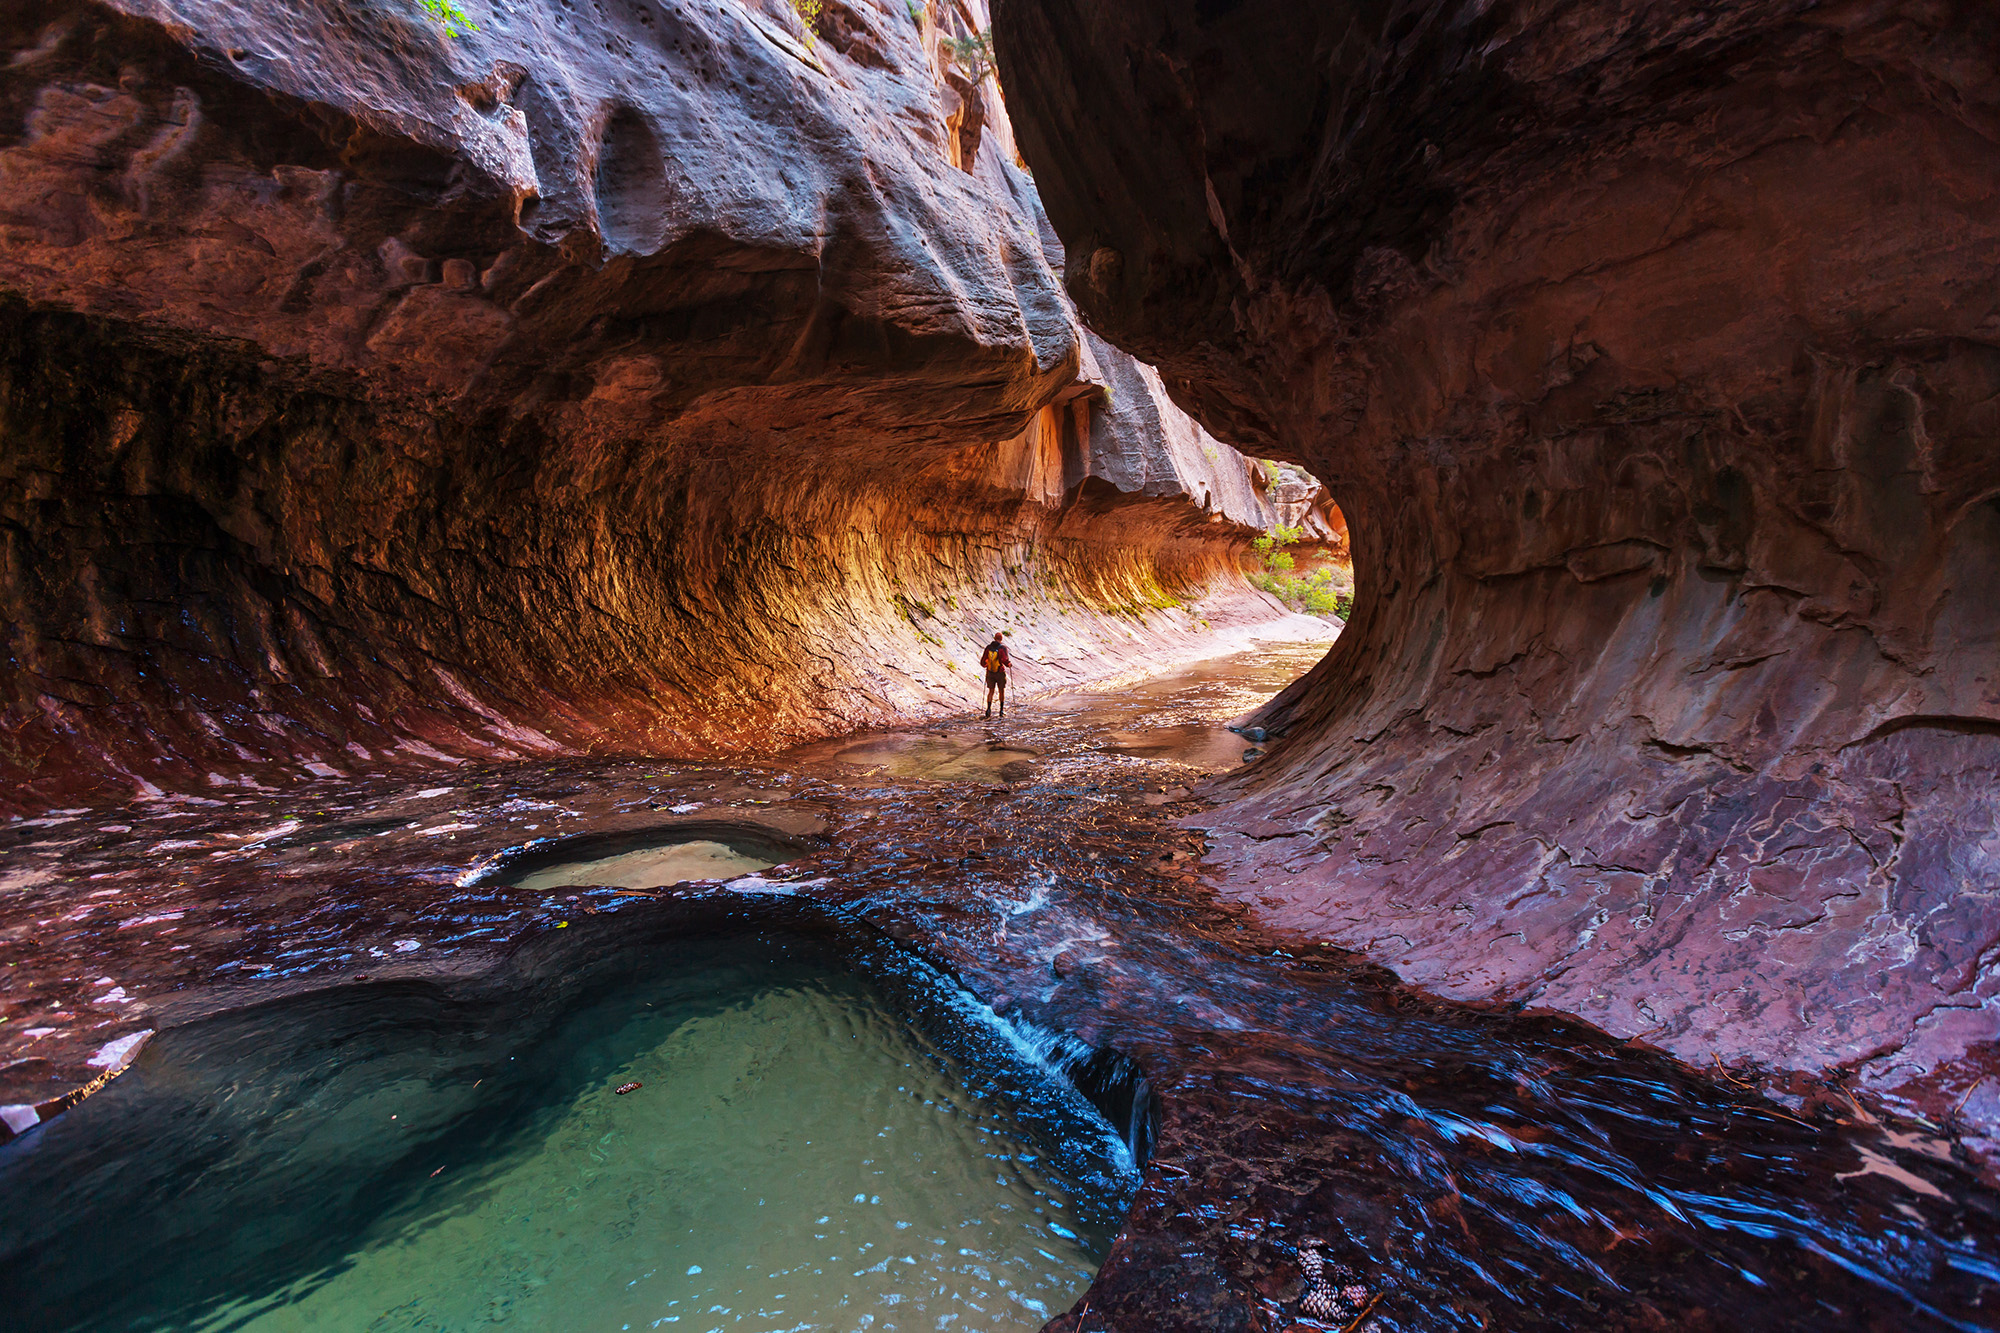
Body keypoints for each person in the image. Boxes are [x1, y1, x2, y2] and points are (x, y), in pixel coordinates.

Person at [979, 631, 1013, 718]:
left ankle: (988, 709)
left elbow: (983, 662)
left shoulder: (988, 647)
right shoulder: (1002, 648)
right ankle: (1001, 711)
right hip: (1000, 672)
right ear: (1001, 639)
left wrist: (987, 665)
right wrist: (1009, 664)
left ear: (994, 638)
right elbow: (1005, 660)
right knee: (1001, 691)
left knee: (991, 691)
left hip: (990, 672)